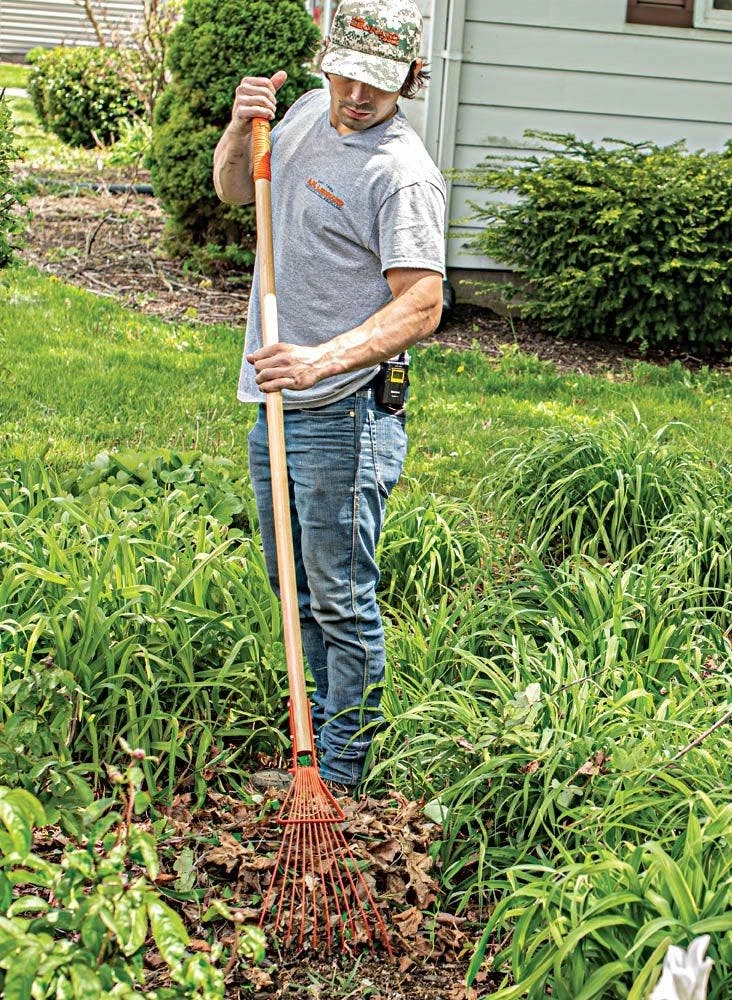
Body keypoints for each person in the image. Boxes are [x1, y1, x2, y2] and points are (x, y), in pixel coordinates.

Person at [212, 0, 446, 793]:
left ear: (411, 80)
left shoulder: (402, 173)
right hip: (274, 398)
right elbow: (235, 193)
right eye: (348, 75)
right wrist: (240, 127)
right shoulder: (310, 110)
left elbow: (422, 305)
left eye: (378, 85)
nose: (357, 96)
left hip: (343, 412)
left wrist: (319, 362)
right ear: (326, 60)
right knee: (295, 589)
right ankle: (312, 745)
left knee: (341, 600)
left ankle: (342, 774)